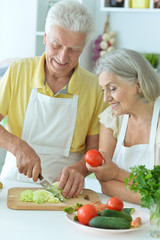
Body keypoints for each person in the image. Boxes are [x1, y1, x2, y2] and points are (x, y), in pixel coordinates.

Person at [0, 0, 106, 198]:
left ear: (83, 48)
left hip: (66, 188)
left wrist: (81, 170)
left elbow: (95, 149)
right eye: (56, 45)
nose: (63, 57)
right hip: (14, 179)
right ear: (45, 38)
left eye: (73, 49)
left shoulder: (94, 87)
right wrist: (17, 146)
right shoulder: (18, 71)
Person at [86, 48, 160, 204]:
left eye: (112, 89)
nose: (106, 98)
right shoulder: (111, 118)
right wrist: (151, 197)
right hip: (119, 212)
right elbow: (104, 182)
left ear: (138, 85)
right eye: (103, 90)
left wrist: (117, 174)